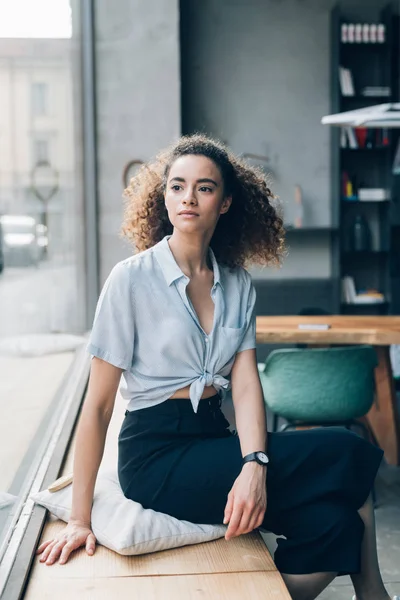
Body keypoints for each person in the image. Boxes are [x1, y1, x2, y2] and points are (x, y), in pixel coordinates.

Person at [36, 134, 393, 600]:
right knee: (346, 450)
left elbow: (246, 388)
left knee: (334, 523)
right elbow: (99, 407)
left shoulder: (239, 284)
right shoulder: (130, 280)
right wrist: (81, 519)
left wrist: (254, 462)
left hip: (213, 439)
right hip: (155, 455)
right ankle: (376, 596)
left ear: (224, 203)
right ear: (163, 196)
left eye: (204, 188)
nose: (189, 197)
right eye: (178, 185)